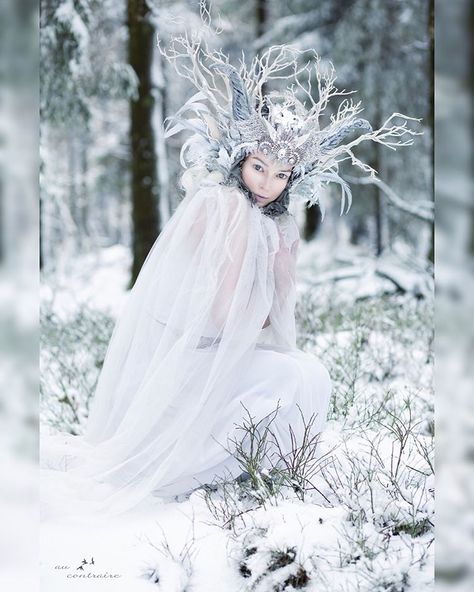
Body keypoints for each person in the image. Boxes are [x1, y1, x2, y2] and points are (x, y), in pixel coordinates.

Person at [41, 42, 419, 517]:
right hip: (192, 361)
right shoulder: (228, 206)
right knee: (296, 376)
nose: (266, 183)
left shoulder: (269, 221)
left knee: (306, 374)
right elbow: (227, 314)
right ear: (239, 159)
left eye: (281, 175)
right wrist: (270, 280)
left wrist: (283, 266)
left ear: (292, 181)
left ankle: (246, 466)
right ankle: (204, 467)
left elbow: (275, 316)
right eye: (258, 167)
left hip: (212, 351)